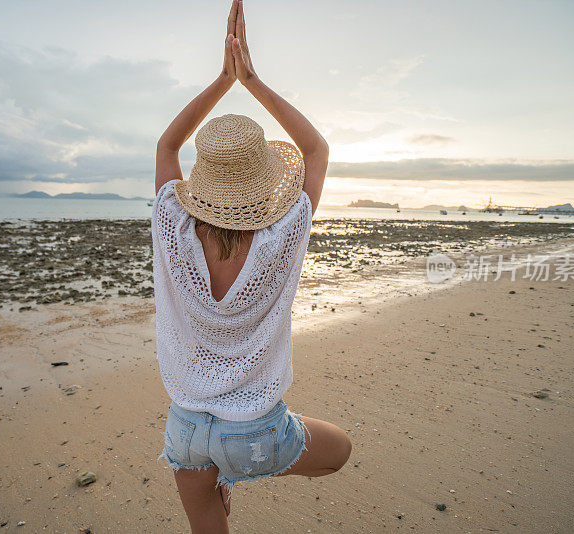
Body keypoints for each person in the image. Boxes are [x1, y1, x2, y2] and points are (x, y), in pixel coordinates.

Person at [151, 1, 351, 531]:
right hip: (255, 430)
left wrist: (221, 79)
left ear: (205, 179)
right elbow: (316, 148)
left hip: (185, 428)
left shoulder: (170, 224)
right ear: (263, 181)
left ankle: (226, 472)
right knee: (340, 449)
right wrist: (251, 79)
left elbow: (168, 144)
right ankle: (252, 464)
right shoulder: (284, 234)